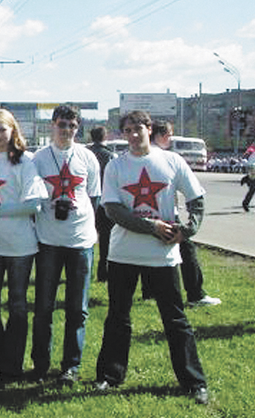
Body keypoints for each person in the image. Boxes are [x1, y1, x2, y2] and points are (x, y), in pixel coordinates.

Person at [94, 110, 209, 405]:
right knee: (118, 318)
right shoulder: (116, 166)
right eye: (128, 130)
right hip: (123, 255)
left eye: (138, 129)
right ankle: (109, 375)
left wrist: (187, 231)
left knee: (175, 319)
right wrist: (151, 226)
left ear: (149, 129)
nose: (133, 135)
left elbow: (196, 199)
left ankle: (194, 382)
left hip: (163, 256)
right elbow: (113, 210)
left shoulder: (171, 161)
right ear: (122, 134)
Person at [0, 109, 46, 384]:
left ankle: (12, 365)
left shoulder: (24, 161)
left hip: (20, 248)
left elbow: (34, 203)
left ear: (12, 131)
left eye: (2, 129)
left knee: (17, 306)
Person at [31, 105, 100, 385]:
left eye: (72, 125)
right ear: (52, 125)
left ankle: (70, 365)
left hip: (80, 241)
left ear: (78, 127)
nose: (67, 130)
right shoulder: (38, 159)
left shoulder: (88, 157)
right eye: (62, 124)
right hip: (48, 241)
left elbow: (93, 198)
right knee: (44, 305)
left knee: (77, 307)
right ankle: (40, 364)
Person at [151, 121, 220, 308]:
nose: (171, 139)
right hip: (167, 216)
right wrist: (190, 225)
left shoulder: (136, 157)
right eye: (170, 134)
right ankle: (195, 294)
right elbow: (194, 193)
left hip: (143, 215)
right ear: (161, 134)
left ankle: (149, 292)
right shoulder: (169, 158)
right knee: (187, 253)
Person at [87, 126, 116, 282]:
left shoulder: (86, 154)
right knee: (105, 239)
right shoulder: (110, 156)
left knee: (87, 236)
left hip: (88, 200)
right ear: (106, 137)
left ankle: (86, 268)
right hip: (105, 201)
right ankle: (103, 272)